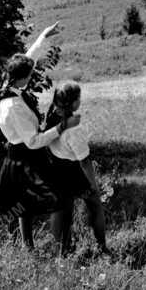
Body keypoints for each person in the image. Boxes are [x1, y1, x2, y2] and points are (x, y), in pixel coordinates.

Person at [0, 22, 77, 254]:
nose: (33, 72)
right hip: (25, 155)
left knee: (23, 204)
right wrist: (63, 127)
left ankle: (27, 247)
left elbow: (28, 59)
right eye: (30, 73)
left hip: (21, 153)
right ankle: (60, 247)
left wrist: (43, 36)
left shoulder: (10, 84)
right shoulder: (14, 106)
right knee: (55, 197)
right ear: (23, 78)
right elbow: (34, 141)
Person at [45, 80, 108, 255]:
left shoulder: (52, 118)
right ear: (74, 103)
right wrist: (93, 184)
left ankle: (59, 250)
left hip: (55, 169)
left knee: (59, 210)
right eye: (79, 97)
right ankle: (101, 246)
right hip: (73, 171)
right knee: (95, 205)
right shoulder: (74, 129)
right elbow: (84, 161)